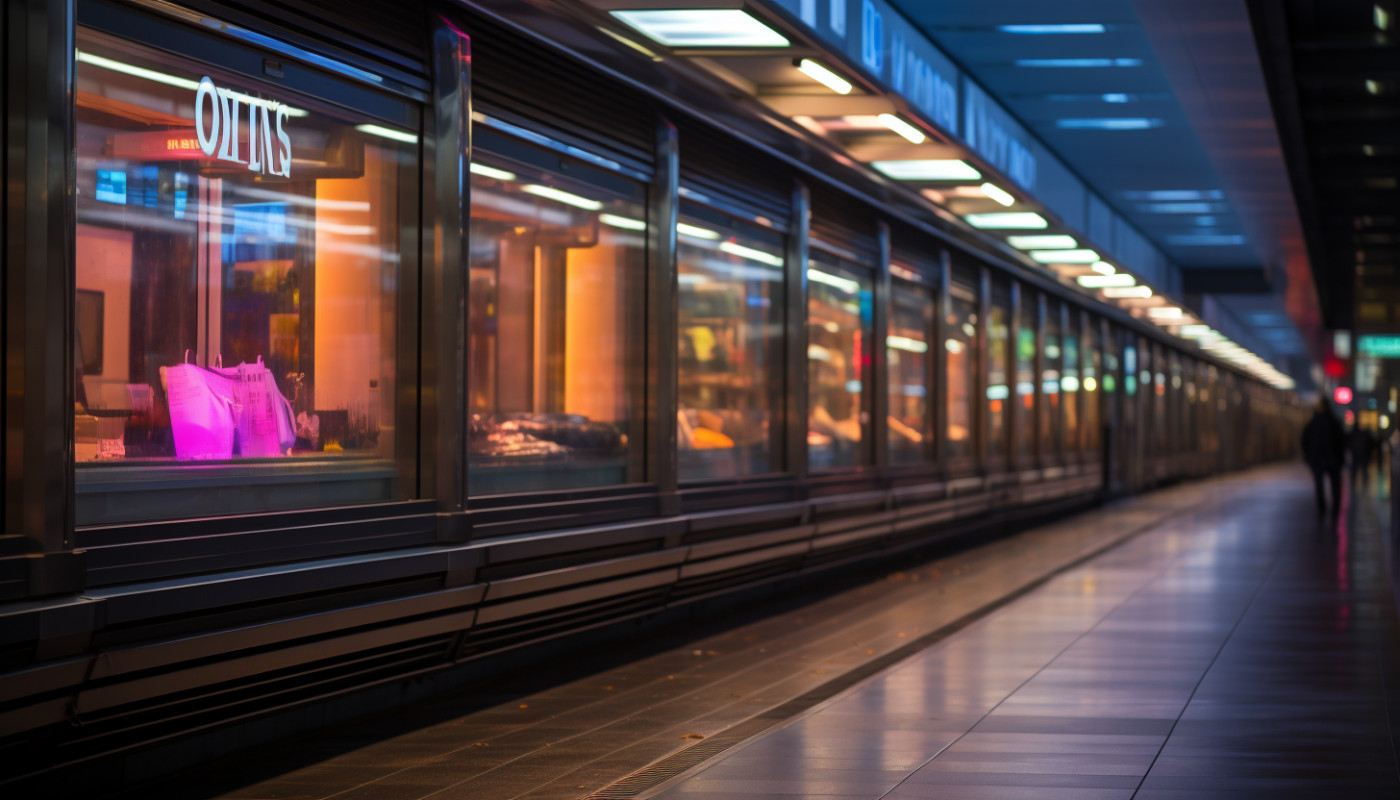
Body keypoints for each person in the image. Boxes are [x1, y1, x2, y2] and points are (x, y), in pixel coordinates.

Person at [1301, 398, 1346, 519]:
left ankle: (1322, 510)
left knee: (1319, 486)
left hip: (1317, 460)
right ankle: (1335, 512)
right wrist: (1341, 459)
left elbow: (1304, 441)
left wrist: (1308, 457)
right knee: (1335, 486)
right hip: (1333, 460)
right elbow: (1341, 442)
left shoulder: (1312, 423)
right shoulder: (1334, 422)